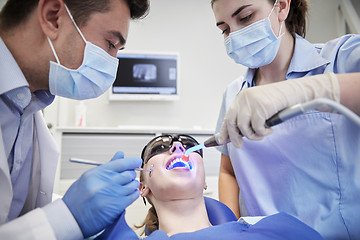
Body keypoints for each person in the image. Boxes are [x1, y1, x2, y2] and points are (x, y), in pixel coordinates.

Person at [211, 0, 360, 239]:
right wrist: (231, 230)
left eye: (246, 17)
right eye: (225, 29)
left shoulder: (340, 58)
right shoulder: (234, 95)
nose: (235, 35)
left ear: (281, 6)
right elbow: (228, 171)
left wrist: (314, 90)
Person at [0, 0, 149, 239]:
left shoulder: (28, 106)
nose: (112, 64)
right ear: (53, 17)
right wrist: (68, 217)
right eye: (110, 44)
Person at [96, 134, 324, 240]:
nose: (177, 148)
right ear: (143, 187)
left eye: (189, 146)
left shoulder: (273, 227)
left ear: (205, 182)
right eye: (160, 148)